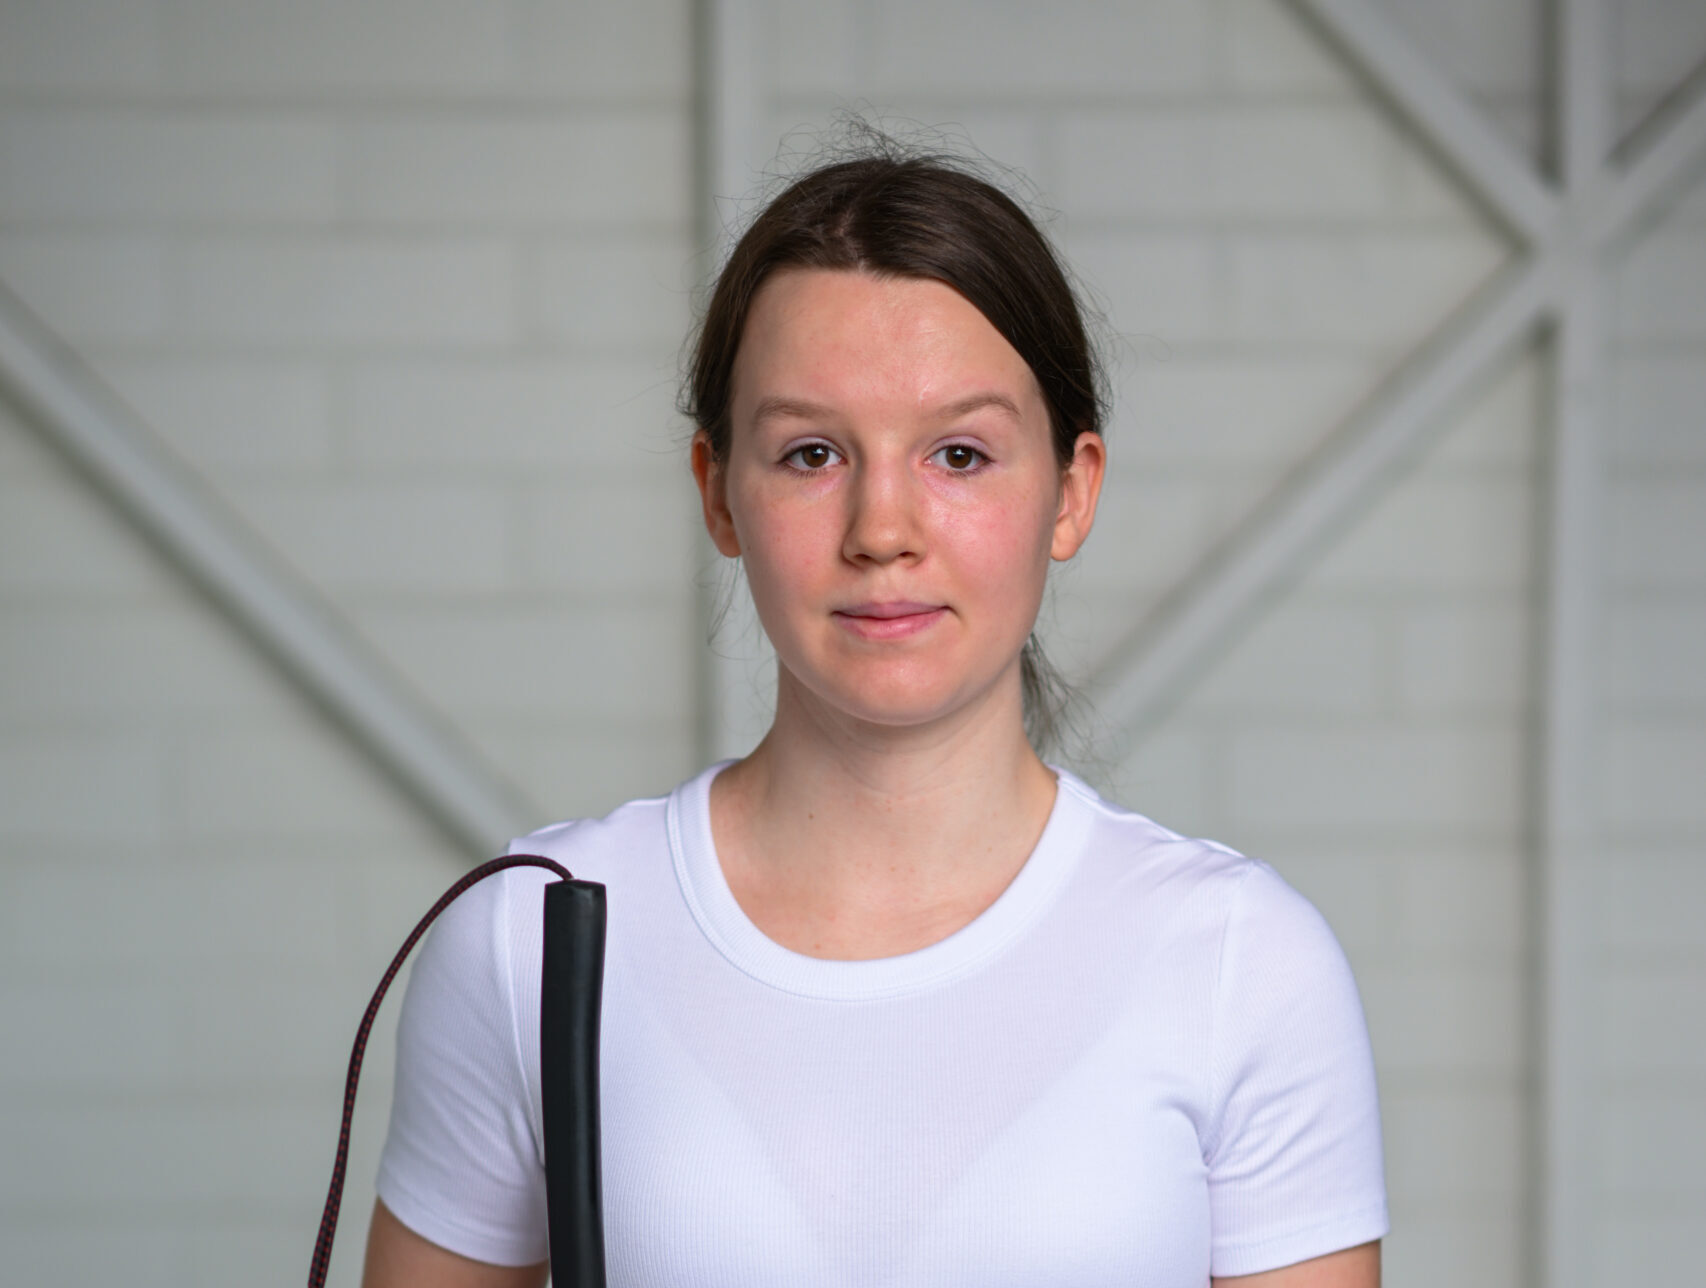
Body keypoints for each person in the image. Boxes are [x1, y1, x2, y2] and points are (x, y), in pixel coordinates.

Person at [361, 146, 1388, 1288]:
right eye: (810, 453)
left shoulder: (1242, 962)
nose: (882, 527)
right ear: (717, 492)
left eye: (959, 454)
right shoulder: (524, 942)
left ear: (1072, 488)